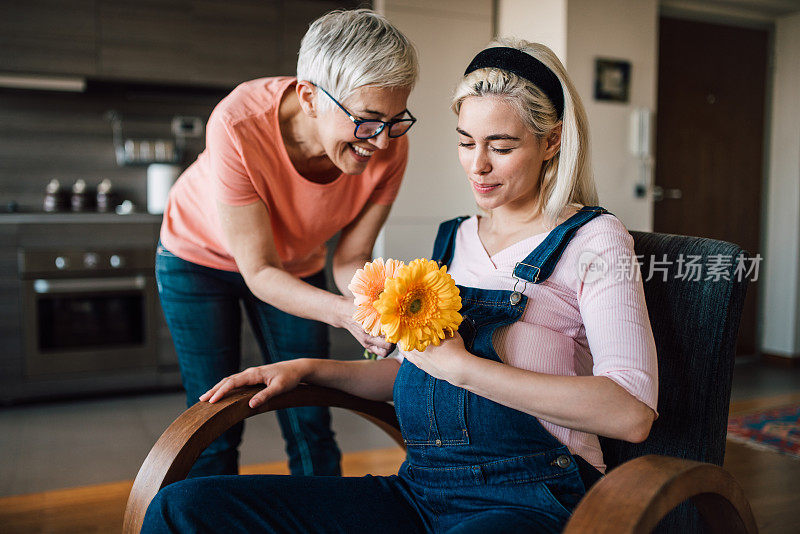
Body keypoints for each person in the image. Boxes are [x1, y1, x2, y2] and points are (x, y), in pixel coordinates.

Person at [143, 38, 658, 533]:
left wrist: (463, 369)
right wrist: (306, 370)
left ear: (552, 141)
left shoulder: (595, 239)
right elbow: (413, 372)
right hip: (420, 494)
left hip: (531, 498)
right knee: (184, 508)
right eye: (465, 142)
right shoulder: (453, 239)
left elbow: (630, 413)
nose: (476, 166)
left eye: (500, 147)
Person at [155, 9, 418, 478]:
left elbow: (352, 258)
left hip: (295, 263)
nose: (380, 143)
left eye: (396, 120)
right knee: (217, 416)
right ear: (309, 97)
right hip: (194, 259)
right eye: (367, 120)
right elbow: (258, 271)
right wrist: (344, 313)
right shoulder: (238, 124)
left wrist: (376, 300)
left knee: (309, 413)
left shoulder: (387, 145)